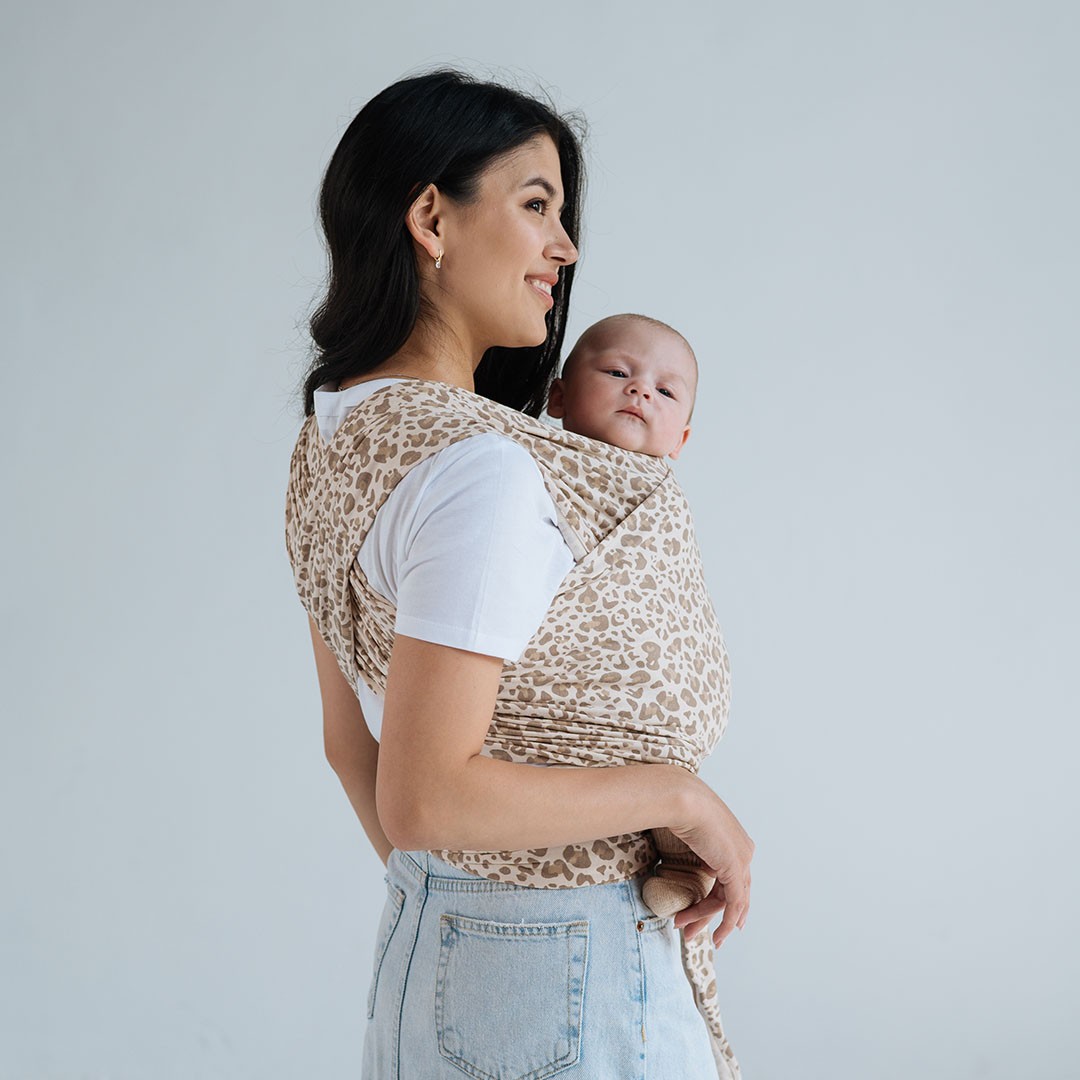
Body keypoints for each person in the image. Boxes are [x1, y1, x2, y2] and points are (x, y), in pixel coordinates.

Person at [284, 69, 754, 1079]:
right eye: (537, 205)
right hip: (568, 973)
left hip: (430, 951)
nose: (565, 247)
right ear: (430, 218)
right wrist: (683, 798)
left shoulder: (330, 439)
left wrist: (463, 904)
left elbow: (349, 747)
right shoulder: (481, 467)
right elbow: (426, 796)